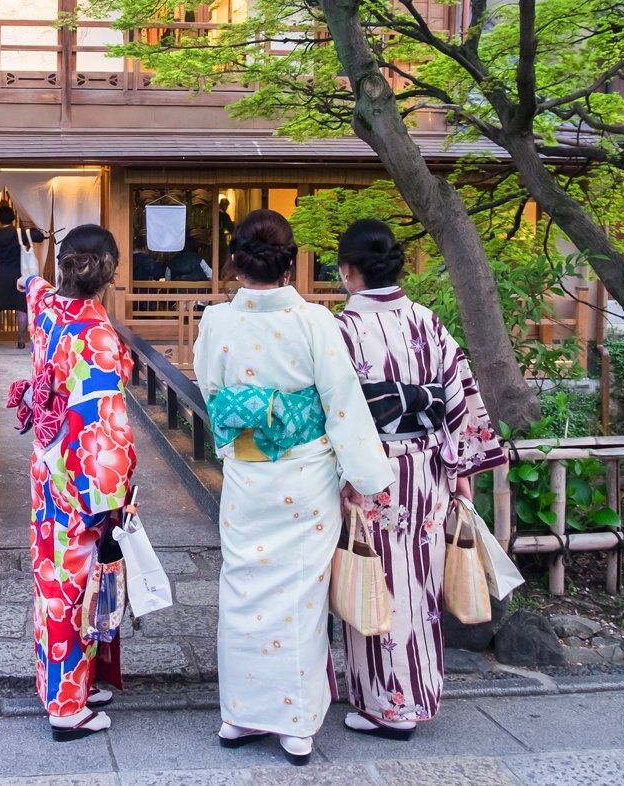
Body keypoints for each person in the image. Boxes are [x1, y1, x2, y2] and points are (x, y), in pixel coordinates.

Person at [193, 210, 393, 766]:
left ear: (236, 261)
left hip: (249, 475)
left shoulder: (216, 321)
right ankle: (295, 723)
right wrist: (365, 478)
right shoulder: (314, 322)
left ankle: (240, 713)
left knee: (242, 592)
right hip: (304, 477)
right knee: (299, 597)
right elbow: (342, 403)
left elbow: (212, 390)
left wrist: (242, 431)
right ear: (291, 261)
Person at [331, 218, 505, 738]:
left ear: (347, 271)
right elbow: (459, 398)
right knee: (418, 581)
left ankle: (386, 704)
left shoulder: (342, 329)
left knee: (372, 577)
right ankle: (418, 693)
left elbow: (334, 411)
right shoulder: (428, 322)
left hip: (370, 472)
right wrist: (461, 469)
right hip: (427, 467)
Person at [18, 225, 136, 741]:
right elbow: (105, 424)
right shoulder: (98, 336)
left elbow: (31, 285)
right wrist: (118, 494)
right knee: (75, 579)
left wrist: (30, 273)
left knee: (55, 574)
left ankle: (66, 683)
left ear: (64, 266)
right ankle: (67, 708)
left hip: (47, 462)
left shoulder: (47, 308)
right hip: (83, 467)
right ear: (110, 271)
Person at [0, 203, 45, 347]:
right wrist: (32, 227)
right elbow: (40, 236)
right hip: (20, 276)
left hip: (2, 275)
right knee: (21, 307)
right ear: (13, 219)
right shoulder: (20, 233)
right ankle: (21, 339)